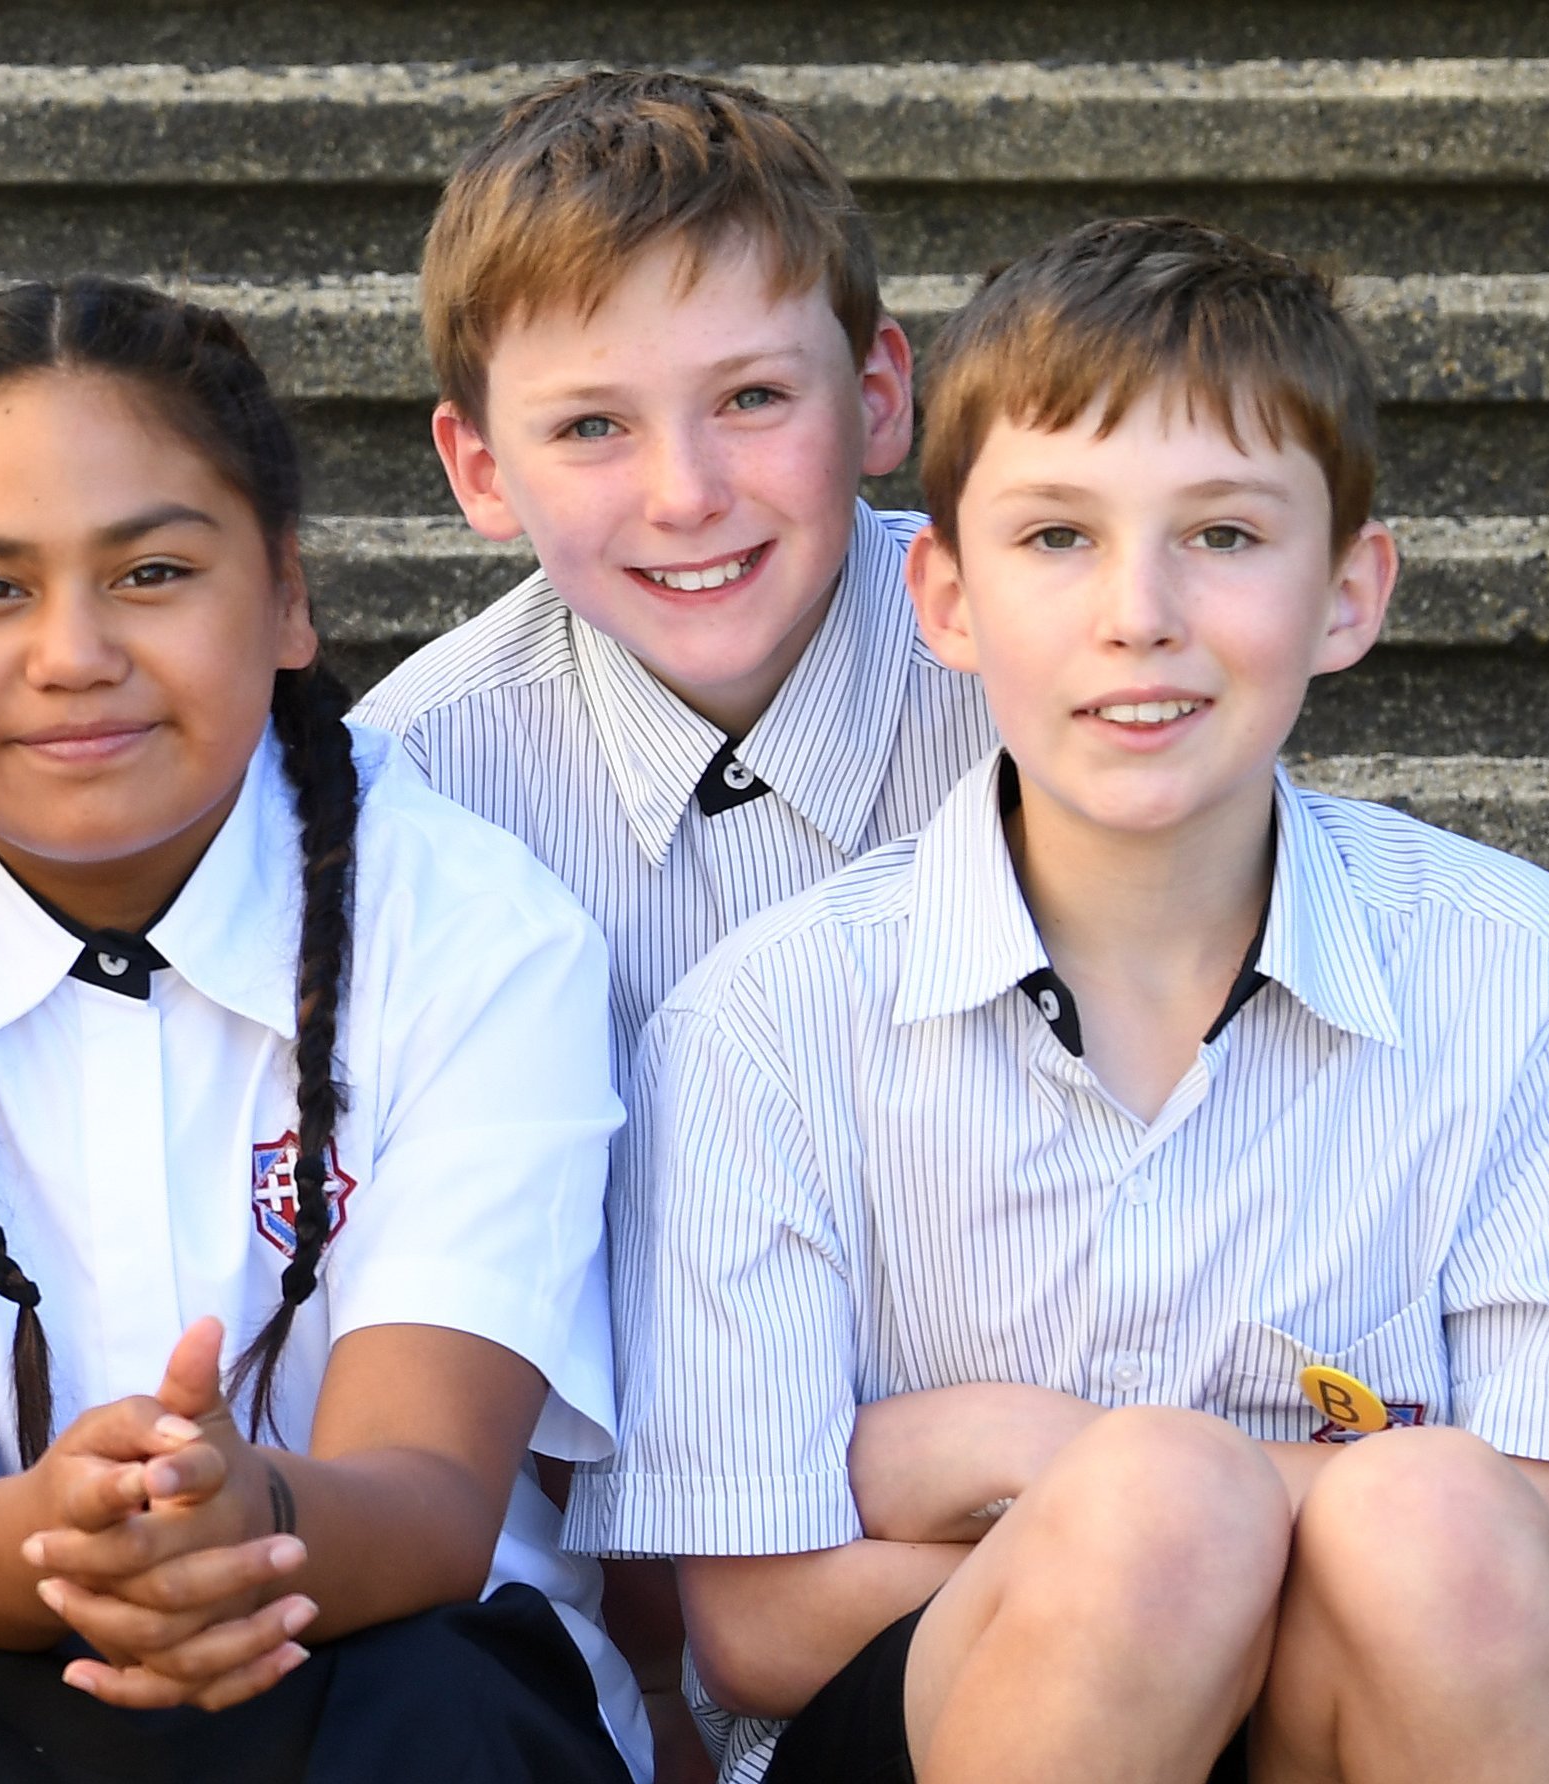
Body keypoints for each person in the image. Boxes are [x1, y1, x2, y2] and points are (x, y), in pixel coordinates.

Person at [577, 215, 1549, 1784]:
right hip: (931, 1729)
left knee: (1422, 1514)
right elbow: (755, 1627)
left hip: (1364, 1712)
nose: (1136, 610)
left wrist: (1009, 1460)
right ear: (943, 598)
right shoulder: (764, 1021)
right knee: (1227, 1501)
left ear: (1348, 593)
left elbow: (1535, 1574)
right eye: (1054, 538)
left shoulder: (1534, 975)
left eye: (1221, 536)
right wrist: (1157, 1525)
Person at [0, 277, 628, 1784]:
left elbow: (424, 1502)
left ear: (286, 596)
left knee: (428, 1720)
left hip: (380, 1643)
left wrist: (248, 1523)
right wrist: (72, 1534)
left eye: (151, 572)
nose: (72, 652)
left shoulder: (481, 930)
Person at [353, 73, 1002, 1769]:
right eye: (591, 428)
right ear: (475, 468)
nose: (686, 492)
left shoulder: (1047, 677)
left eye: (750, 399)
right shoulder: (414, 788)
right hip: (614, 1569)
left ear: (876, 393)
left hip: (1018, 1496)